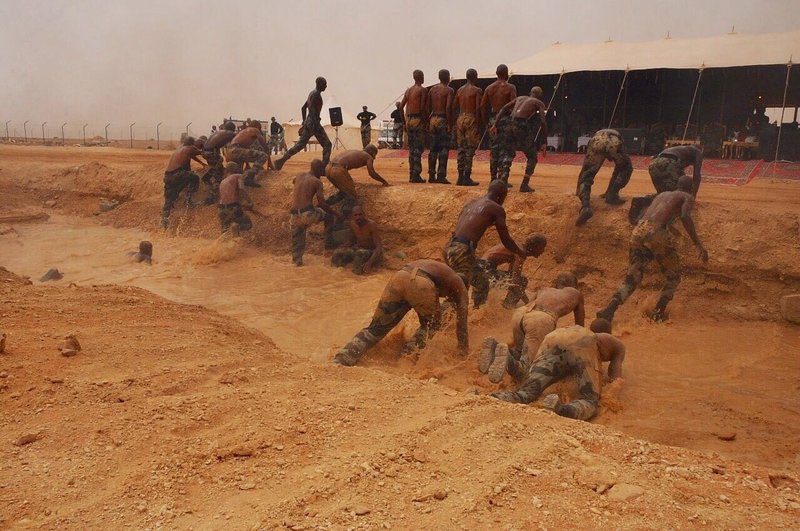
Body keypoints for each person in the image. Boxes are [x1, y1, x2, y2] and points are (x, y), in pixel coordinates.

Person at [597, 175, 709, 323]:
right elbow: (685, 216)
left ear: (677, 185)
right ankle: (658, 312)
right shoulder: (687, 196)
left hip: (639, 230)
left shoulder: (663, 195)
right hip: (656, 233)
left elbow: (651, 215)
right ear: (692, 188)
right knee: (674, 276)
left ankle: (610, 309)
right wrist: (698, 244)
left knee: (633, 276)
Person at [333, 259, 469, 366]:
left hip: (400, 276)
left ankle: (344, 357)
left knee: (377, 327)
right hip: (421, 281)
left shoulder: (441, 271)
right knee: (431, 326)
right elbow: (462, 324)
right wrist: (463, 352)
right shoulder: (460, 286)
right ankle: (406, 359)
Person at [489, 319, 625, 422]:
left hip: (554, 336)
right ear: (610, 332)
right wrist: (611, 393)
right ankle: (562, 409)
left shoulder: (583, 330)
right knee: (590, 399)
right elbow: (615, 376)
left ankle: (492, 396)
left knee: (527, 392)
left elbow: (567, 365)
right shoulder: (615, 343)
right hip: (581, 343)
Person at [479, 272, 584, 384]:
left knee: (520, 351)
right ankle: (508, 360)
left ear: (556, 284)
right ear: (575, 285)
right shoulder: (576, 293)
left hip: (521, 313)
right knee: (527, 368)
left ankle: (495, 348)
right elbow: (579, 326)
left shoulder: (544, 290)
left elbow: (529, 305)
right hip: (540, 319)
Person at [443, 179, 527, 291]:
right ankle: (450, 303)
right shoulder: (496, 209)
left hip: (450, 246)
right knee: (461, 289)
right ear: (501, 196)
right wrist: (520, 252)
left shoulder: (471, 203)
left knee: (482, 283)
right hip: (462, 250)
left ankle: (473, 303)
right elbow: (506, 239)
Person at [493, 86, 548, 192]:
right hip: (521, 124)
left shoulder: (520, 98)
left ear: (530, 92)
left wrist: (495, 124)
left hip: (510, 123)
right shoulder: (539, 103)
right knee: (532, 155)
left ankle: (503, 179)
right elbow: (543, 122)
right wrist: (544, 141)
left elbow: (504, 108)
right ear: (540, 95)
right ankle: (524, 184)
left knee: (508, 152)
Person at [574, 129, 633, 226]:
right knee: (625, 168)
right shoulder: (618, 137)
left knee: (587, 174)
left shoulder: (596, 136)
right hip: (614, 142)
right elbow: (620, 167)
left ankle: (585, 206)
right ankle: (612, 194)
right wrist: (611, 191)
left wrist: (578, 191)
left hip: (596, 142)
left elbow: (583, 172)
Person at [472, 234, 547, 309]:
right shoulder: (520, 252)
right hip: (483, 270)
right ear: (536, 246)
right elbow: (515, 281)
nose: (543, 251)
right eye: (542, 247)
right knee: (522, 280)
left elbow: (511, 276)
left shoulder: (517, 248)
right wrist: (527, 302)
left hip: (477, 269)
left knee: (479, 307)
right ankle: (508, 307)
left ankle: (481, 305)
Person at [274, 77, 333, 169]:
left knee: (300, 145)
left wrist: (304, 123)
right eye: (324, 84)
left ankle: (281, 160)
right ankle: (324, 167)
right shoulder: (316, 95)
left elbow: (303, 108)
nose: (326, 86)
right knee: (327, 144)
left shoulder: (311, 93)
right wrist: (312, 124)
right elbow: (312, 111)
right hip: (314, 123)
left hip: (310, 122)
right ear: (319, 84)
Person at [290, 159, 339, 266]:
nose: (322, 173)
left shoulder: (299, 175)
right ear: (318, 169)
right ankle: (329, 247)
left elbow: (294, 181)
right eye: (322, 170)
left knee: (297, 238)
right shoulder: (317, 182)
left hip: (293, 215)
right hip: (307, 214)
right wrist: (335, 213)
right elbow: (322, 203)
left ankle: (297, 261)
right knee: (329, 216)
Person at [480, 64, 517, 181]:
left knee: (494, 149)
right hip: (506, 119)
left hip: (493, 119)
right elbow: (514, 105)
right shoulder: (510, 88)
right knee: (506, 149)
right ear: (506, 74)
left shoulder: (489, 88)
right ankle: (503, 177)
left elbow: (482, 106)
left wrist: (487, 122)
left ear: (496, 73)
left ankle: (493, 177)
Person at [161, 136, 205, 228]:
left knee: (168, 199)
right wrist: (203, 145)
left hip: (168, 176)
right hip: (178, 174)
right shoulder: (190, 148)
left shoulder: (179, 150)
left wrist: (201, 163)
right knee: (195, 178)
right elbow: (203, 152)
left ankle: (164, 220)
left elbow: (191, 156)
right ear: (192, 143)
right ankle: (189, 200)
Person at [325, 144, 390, 200]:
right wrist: (384, 181)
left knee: (344, 191)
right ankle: (345, 211)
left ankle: (326, 205)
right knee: (352, 196)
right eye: (374, 154)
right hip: (337, 170)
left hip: (328, 167)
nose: (374, 157)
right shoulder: (368, 156)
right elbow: (372, 173)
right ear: (370, 151)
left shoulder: (356, 152)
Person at [331, 206, 383, 274]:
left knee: (359, 254)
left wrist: (369, 262)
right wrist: (343, 247)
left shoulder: (371, 225)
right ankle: (337, 274)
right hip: (358, 249)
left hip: (370, 251)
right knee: (337, 252)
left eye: (360, 214)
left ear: (364, 215)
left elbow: (379, 247)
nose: (358, 217)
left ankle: (358, 274)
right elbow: (352, 241)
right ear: (352, 216)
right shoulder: (352, 224)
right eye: (355, 215)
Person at [454, 68, 482, 187]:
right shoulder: (477, 90)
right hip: (471, 118)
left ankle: (460, 176)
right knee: (470, 149)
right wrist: (478, 123)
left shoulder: (460, 90)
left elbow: (454, 105)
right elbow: (478, 108)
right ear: (475, 77)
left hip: (460, 117)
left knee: (461, 147)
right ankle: (466, 176)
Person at [427, 69, 455, 184]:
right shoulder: (449, 90)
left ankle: (431, 174)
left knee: (433, 148)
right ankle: (441, 175)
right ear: (448, 77)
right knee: (443, 148)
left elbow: (427, 106)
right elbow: (448, 107)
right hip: (443, 119)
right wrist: (449, 123)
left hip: (433, 119)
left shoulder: (432, 90)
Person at [400, 70, 428, 183]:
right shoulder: (422, 90)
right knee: (418, 148)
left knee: (411, 148)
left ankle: (411, 173)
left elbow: (400, 107)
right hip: (418, 119)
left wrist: (404, 122)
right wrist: (425, 122)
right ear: (421, 77)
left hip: (409, 120)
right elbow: (422, 108)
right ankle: (416, 174)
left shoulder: (408, 91)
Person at [201, 121, 237, 204]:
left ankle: (207, 176)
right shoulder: (230, 133)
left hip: (205, 152)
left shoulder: (218, 132)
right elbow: (238, 140)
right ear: (233, 128)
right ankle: (210, 199)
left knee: (219, 168)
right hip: (212, 153)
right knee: (218, 176)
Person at [227, 121, 271, 187]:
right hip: (236, 150)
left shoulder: (243, 132)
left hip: (230, 151)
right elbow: (264, 145)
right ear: (256, 126)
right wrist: (269, 161)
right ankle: (249, 177)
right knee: (263, 156)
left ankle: (234, 184)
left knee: (239, 173)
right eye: (260, 127)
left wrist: (247, 164)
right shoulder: (254, 130)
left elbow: (245, 152)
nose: (260, 129)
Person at [217, 162, 253, 234]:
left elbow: (225, 196)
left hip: (221, 209)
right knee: (247, 224)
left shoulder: (222, 182)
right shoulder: (238, 176)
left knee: (225, 232)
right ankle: (236, 227)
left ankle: (229, 233)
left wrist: (241, 205)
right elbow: (242, 189)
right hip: (232, 207)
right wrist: (249, 202)